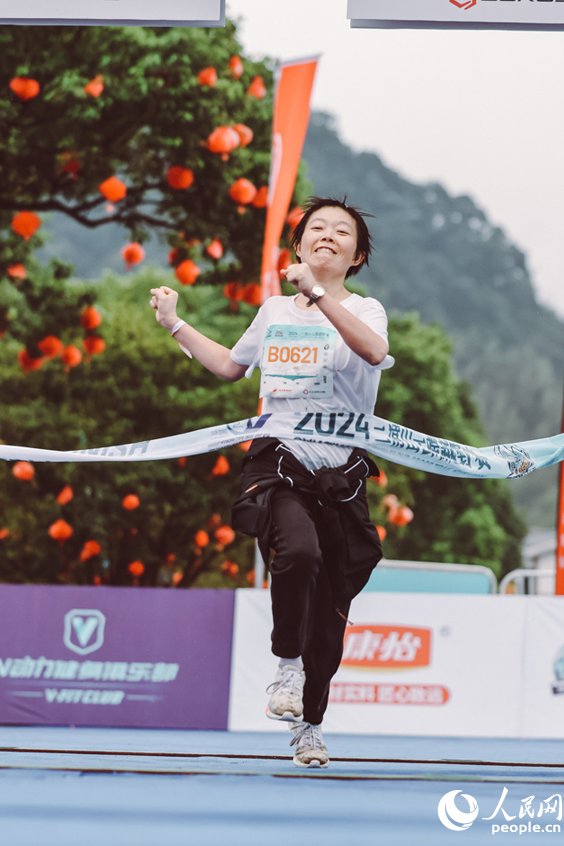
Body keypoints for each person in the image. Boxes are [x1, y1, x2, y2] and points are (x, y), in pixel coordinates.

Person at [150, 196, 394, 769]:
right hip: (279, 462)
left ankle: (310, 725)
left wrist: (317, 296)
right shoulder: (272, 311)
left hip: (340, 477)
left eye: (342, 233)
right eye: (317, 229)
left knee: (331, 623)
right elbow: (232, 367)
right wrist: (175, 325)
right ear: (299, 245)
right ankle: (286, 665)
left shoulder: (368, 310)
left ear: (356, 256)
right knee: (297, 552)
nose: (328, 236)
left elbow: (375, 351)